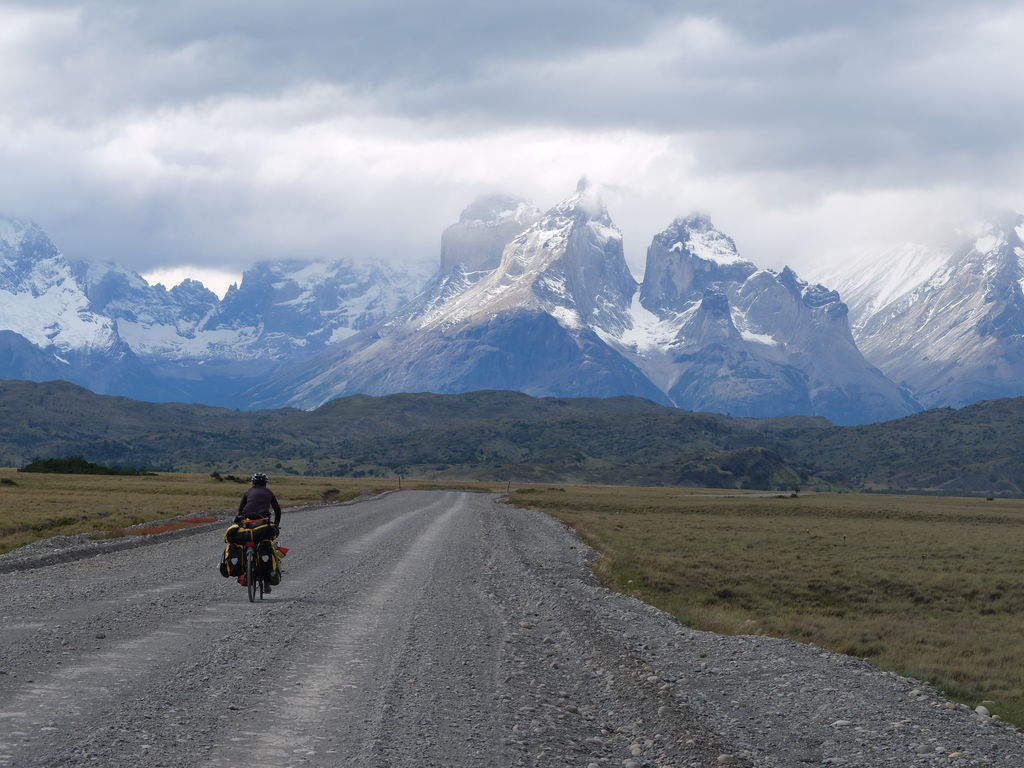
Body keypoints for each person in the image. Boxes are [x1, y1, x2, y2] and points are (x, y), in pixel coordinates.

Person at [236, 472, 282, 591]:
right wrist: (276, 525)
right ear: (265, 483)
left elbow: (240, 512)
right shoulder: (268, 492)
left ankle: (243, 572)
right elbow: (278, 511)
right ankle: (266, 582)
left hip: (247, 523)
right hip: (262, 524)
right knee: (266, 546)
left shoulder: (248, 492)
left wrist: (239, 524)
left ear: (253, 483)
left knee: (243, 543)